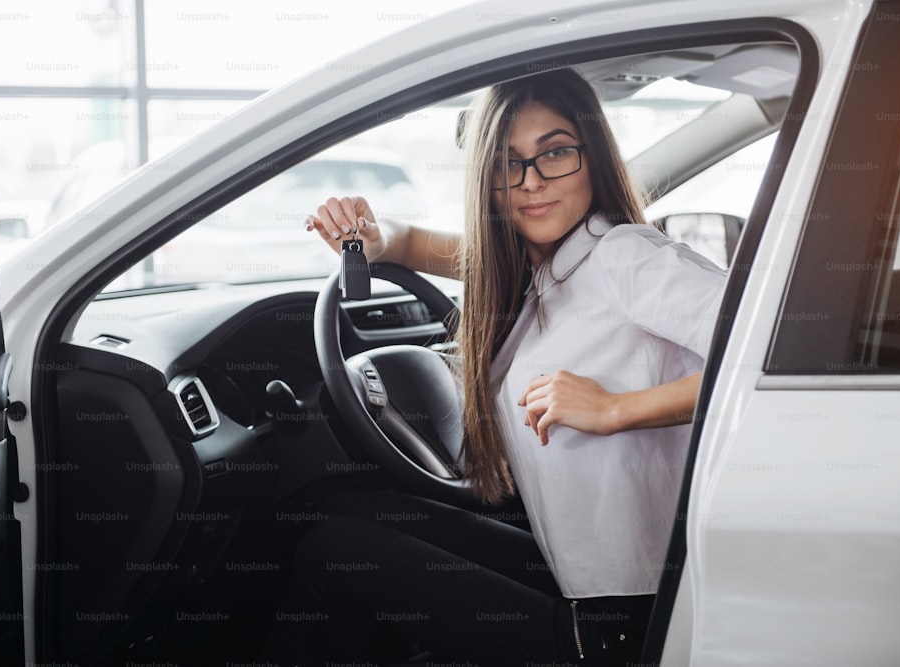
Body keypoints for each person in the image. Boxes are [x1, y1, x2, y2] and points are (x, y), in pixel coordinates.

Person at [291, 67, 727, 665]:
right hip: (577, 580)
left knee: (334, 549)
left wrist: (615, 410)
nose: (530, 182)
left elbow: (769, 360)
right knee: (354, 512)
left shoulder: (626, 255)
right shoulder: (544, 264)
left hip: (625, 622)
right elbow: (415, 242)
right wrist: (368, 237)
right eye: (505, 163)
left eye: (555, 154)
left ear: (592, 154)